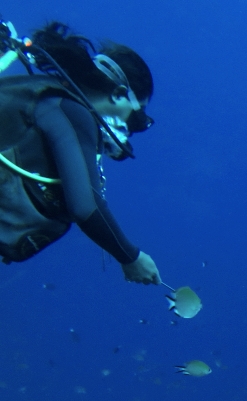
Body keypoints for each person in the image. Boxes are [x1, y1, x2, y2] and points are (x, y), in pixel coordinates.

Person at [0, 21, 160, 284]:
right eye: (137, 119)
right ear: (119, 95)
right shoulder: (73, 113)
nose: (130, 132)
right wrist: (131, 257)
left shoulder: (44, 93)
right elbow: (85, 206)